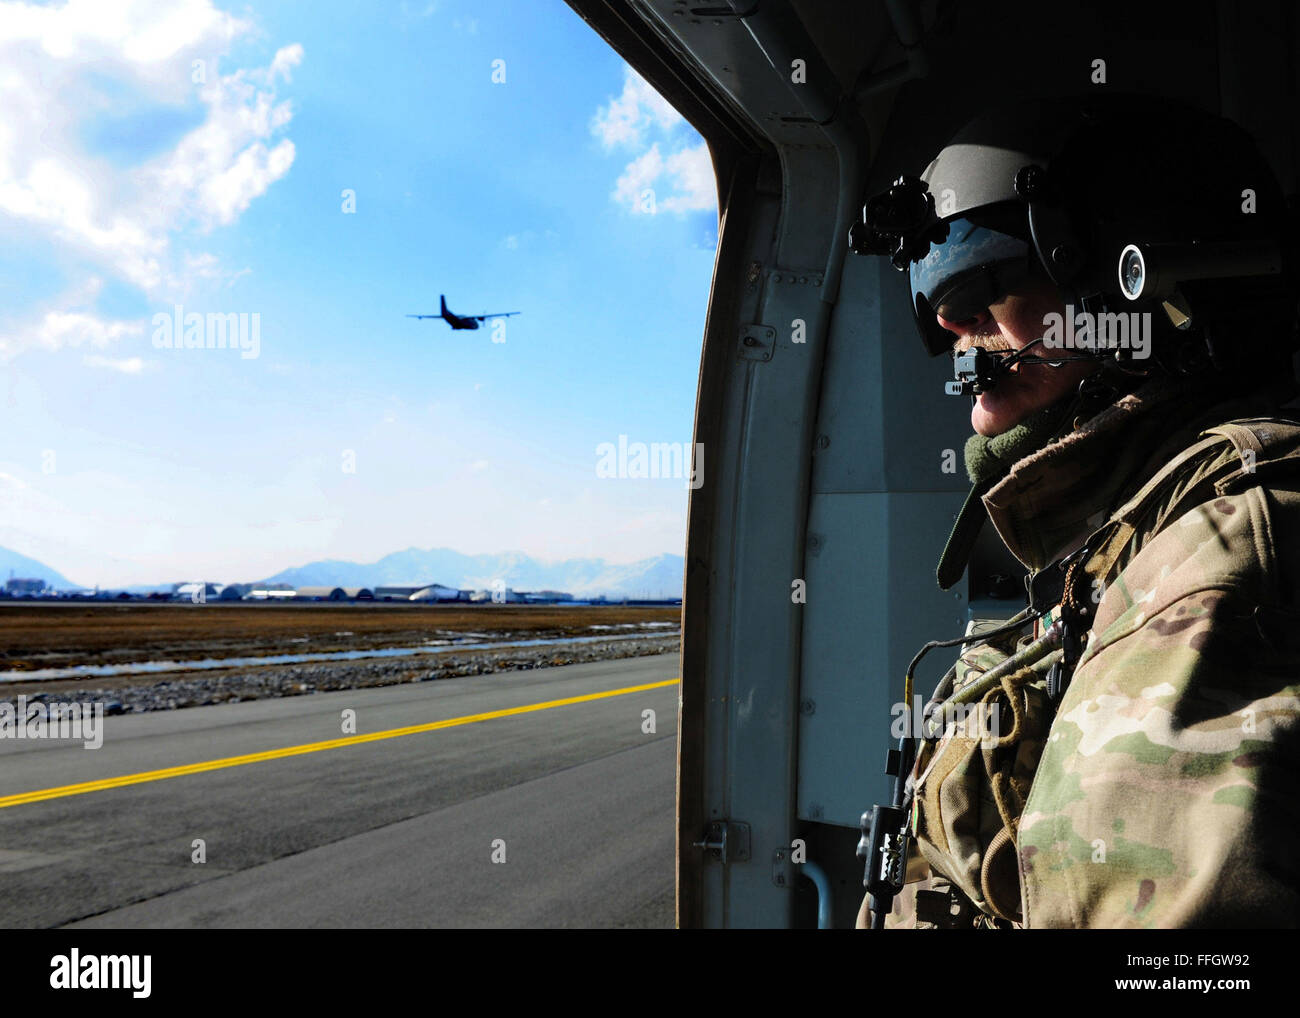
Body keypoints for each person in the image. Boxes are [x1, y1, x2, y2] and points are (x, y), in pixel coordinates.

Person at [850, 95, 1300, 928]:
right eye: (931, 283)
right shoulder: (1126, 538)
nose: (948, 317)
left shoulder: (1216, 554)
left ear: (1142, 279)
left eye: (985, 266)